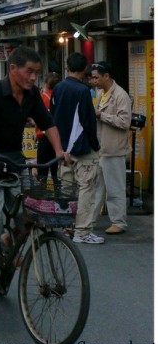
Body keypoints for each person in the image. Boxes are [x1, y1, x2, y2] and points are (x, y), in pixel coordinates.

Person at [0, 46, 67, 301]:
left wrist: (60, 150)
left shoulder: (32, 96)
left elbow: (48, 123)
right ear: (13, 69)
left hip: (15, 164)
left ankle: (8, 243)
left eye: (36, 73)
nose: (32, 77)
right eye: (29, 71)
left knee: (29, 215)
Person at [51, 52, 102, 244]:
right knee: (86, 189)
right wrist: (95, 145)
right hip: (81, 148)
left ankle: (67, 227)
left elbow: (52, 116)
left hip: (62, 149)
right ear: (84, 69)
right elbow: (87, 121)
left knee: (66, 189)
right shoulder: (83, 91)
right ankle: (82, 231)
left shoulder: (58, 88)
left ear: (67, 67)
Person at [90, 62, 132, 235]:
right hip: (101, 148)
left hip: (114, 149)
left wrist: (102, 115)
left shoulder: (121, 95)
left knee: (115, 188)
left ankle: (119, 222)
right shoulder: (101, 93)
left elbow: (124, 122)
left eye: (96, 77)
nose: (93, 80)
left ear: (106, 76)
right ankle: (89, 220)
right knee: (95, 187)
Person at [35, 72, 61, 183]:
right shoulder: (60, 97)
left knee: (42, 169)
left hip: (43, 136)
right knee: (55, 169)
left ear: (45, 83)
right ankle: (57, 195)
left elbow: (36, 117)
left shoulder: (42, 97)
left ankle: (42, 197)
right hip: (57, 137)